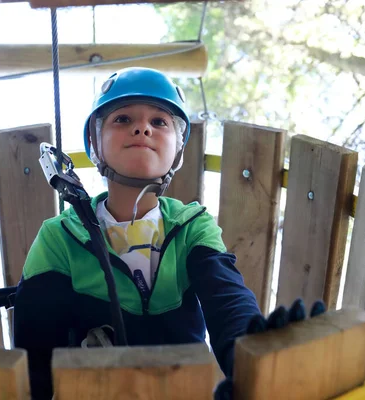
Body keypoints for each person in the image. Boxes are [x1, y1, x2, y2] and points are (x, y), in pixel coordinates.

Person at [13, 67, 262, 399]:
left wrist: (258, 357)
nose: (142, 127)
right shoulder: (60, 238)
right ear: (94, 144)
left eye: (159, 122)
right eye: (122, 119)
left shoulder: (192, 227)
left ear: (178, 148)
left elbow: (228, 302)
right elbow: (35, 362)